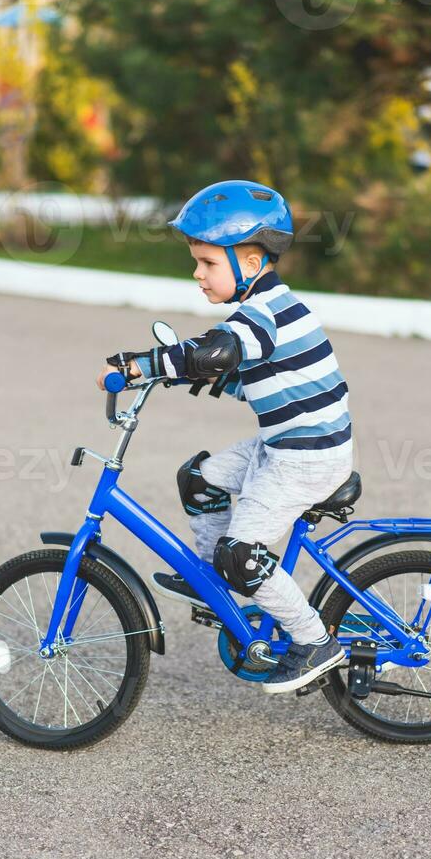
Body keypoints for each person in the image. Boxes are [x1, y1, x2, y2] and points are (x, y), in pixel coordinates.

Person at [97, 179, 353, 694]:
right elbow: (240, 368)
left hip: (306, 459)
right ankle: (216, 583)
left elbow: (216, 353)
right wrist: (183, 374)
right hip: (285, 447)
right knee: (199, 479)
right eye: (197, 262)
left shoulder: (265, 312)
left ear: (252, 264)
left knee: (244, 553)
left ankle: (313, 641)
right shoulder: (262, 315)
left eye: (208, 263)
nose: (198, 274)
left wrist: (144, 365)